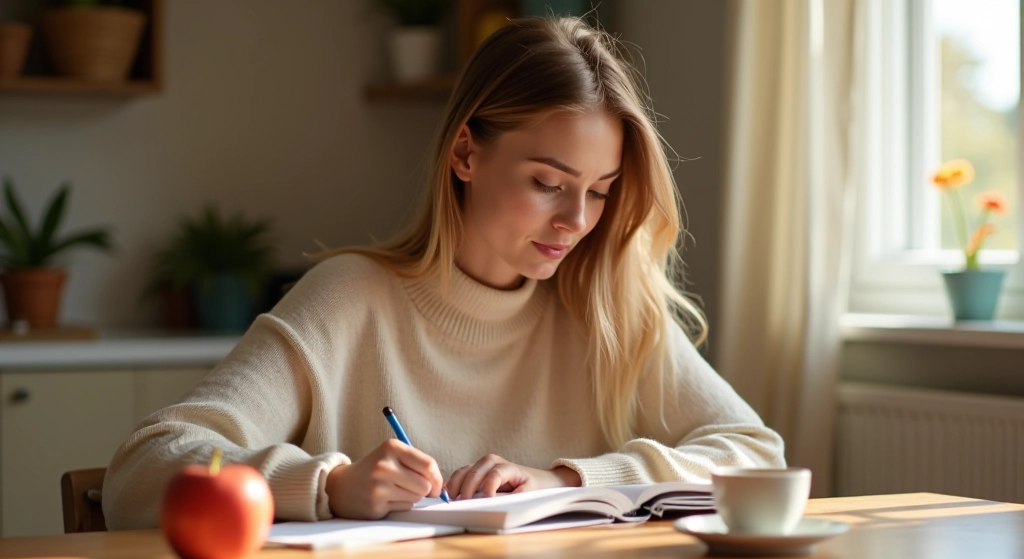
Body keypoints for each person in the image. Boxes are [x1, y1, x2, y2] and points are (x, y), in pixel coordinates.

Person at [103, 16, 785, 529]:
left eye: (601, 189)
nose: (578, 219)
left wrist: (568, 479)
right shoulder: (350, 299)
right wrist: (328, 485)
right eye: (549, 182)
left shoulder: (607, 307)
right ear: (465, 153)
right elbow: (141, 469)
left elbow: (760, 457)